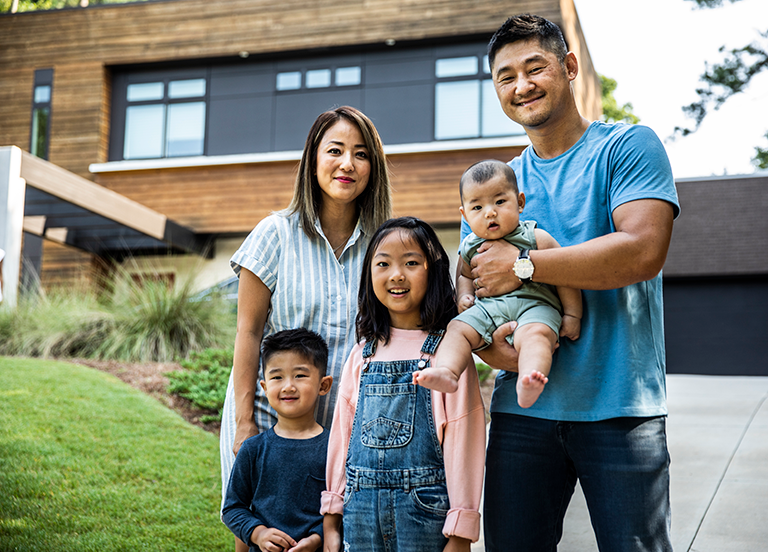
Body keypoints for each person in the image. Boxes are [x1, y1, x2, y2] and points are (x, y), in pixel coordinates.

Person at [471, 14, 680, 552]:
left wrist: (525, 266)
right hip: (522, 415)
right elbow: (478, 285)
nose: (522, 86)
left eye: (535, 67)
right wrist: (492, 349)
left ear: (568, 67)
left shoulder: (627, 147)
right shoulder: (502, 186)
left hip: (619, 411)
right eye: (505, 76)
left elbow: (641, 251)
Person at [220, 106, 392, 552]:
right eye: (335, 150)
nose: (347, 164)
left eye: (361, 153)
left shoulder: (383, 243)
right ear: (312, 160)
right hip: (270, 415)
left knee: (332, 539)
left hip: (348, 422)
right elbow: (248, 333)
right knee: (260, 533)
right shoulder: (274, 234)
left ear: (373, 167)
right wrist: (245, 423)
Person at [321, 217, 486, 552]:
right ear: (370, 274)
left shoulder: (448, 353)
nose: (396, 275)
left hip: (425, 515)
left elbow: (463, 441)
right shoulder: (362, 354)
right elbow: (342, 434)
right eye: (383, 263)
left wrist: (461, 529)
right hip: (360, 513)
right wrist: (331, 515)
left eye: (411, 263)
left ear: (434, 271)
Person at [413, 159, 581, 408]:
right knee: (457, 329)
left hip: (534, 307)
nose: (490, 212)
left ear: (520, 202)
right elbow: (464, 276)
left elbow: (565, 277)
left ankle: (529, 379)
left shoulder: (535, 237)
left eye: (500, 202)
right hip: (489, 310)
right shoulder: (469, 245)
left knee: (537, 336)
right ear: (465, 215)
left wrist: (572, 315)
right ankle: (448, 371)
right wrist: (464, 296)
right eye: (477, 207)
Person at [222, 328, 333, 552]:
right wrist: (258, 533)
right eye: (277, 377)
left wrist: (318, 538)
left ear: (323, 385)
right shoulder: (253, 449)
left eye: (300, 375)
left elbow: (346, 507)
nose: (288, 386)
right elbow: (233, 508)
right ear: (264, 387)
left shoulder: (334, 447)